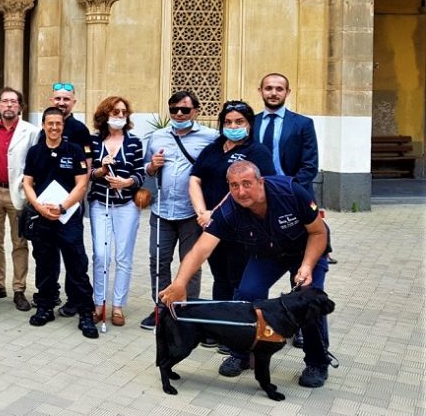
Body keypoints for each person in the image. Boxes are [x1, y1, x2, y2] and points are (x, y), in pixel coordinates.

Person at [160, 160, 334, 388]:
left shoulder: (290, 193)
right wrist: (180, 283)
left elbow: (318, 232)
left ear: (260, 182)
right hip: (267, 254)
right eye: (234, 185)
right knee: (246, 294)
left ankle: (317, 362)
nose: (240, 191)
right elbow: (202, 248)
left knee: (309, 303)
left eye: (246, 184)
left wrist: (307, 265)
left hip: (307, 250)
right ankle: (241, 354)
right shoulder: (229, 210)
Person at [189, 100, 276, 368]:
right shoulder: (213, 149)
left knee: (241, 282)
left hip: (241, 228)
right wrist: (202, 212)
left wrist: (214, 213)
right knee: (220, 278)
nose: (233, 126)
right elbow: (195, 179)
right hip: (210, 226)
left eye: (239, 122)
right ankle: (220, 329)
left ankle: (242, 335)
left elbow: (240, 187)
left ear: (249, 124)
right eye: (228, 122)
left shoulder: (257, 152)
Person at [140, 90, 217, 329]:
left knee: (190, 263)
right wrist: (152, 166)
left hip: (191, 213)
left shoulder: (211, 137)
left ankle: (188, 310)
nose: (179, 114)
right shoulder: (157, 136)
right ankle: (162, 308)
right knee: (158, 261)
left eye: (185, 109)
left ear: (196, 110)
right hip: (162, 211)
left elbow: (214, 172)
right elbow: (148, 170)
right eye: (174, 109)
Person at [22, 107, 98, 338]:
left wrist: (63, 206)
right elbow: (27, 183)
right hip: (43, 217)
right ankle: (45, 306)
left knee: (77, 265)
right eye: (50, 123)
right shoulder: (35, 152)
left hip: (68, 217)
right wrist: (38, 207)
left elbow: (81, 185)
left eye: (58, 124)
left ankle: (85, 312)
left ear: (63, 126)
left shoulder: (74, 150)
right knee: (45, 264)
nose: (54, 127)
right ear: (43, 125)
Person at [253, 74, 330, 263]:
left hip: (293, 193)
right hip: (258, 195)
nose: (273, 93)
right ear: (260, 91)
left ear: (287, 92)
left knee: (302, 246)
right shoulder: (250, 123)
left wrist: (290, 191)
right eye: (268, 88)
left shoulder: (302, 123)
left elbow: (310, 165)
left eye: (279, 89)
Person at [0, 87, 39, 311]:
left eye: (14, 102)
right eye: (5, 101)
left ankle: (19, 288)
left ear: (20, 106)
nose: (9, 105)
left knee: (19, 243)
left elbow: (36, 164)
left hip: (19, 193)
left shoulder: (31, 131)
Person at [87, 96, 145, 327]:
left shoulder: (134, 142)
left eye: (123, 112)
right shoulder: (93, 141)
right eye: (115, 112)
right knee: (101, 255)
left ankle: (118, 305)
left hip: (126, 207)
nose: (120, 116)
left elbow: (141, 172)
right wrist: (100, 171)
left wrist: (127, 182)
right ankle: (98, 303)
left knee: (123, 257)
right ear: (105, 114)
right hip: (100, 204)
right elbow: (87, 173)